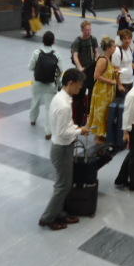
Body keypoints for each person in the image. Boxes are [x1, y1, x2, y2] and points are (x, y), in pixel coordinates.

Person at [38, 69, 90, 230]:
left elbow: (66, 125)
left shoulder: (62, 97)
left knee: (63, 183)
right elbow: (62, 132)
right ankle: (47, 218)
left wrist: (77, 128)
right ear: (70, 83)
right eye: (79, 85)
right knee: (63, 186)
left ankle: (59, 212)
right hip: (62, 148)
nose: (80, 88)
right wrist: (80, 130)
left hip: (62, 146)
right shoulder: (64, 105)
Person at [29, 31, 64, 140]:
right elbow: (60, 71)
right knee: (49, 108)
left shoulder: (36, 52)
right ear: (53, 41)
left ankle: (33, 119)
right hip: (50, 85)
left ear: (43, 40)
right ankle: (48, 132)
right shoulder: (57, 54)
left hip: (37, 83)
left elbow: (30, 67)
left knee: (35, 101)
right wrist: (58, 83)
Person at [86, 37, 122, 143]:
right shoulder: (103, 60)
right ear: (108, 48)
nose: (115, 48)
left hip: (107, 92)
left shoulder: (108, 58)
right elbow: (96, 75)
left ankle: (101, 134)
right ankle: (98, 136)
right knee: (100, 113)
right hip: (101, 92)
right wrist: (111, 81)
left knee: (105, 113)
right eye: (113, 46)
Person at [71, 21, 99, 106]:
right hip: (82, 69)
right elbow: (75, 56)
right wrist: (79, 67)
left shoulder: (93, 39)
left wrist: (97, 61)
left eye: (90, 30)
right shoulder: (77, 41)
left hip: (91, 68)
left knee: (92, 89)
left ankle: (89, 107)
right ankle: (79, 106)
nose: (88, 32)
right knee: (80, 89)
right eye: (86, 30)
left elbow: (96, 52)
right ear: (82, 30)